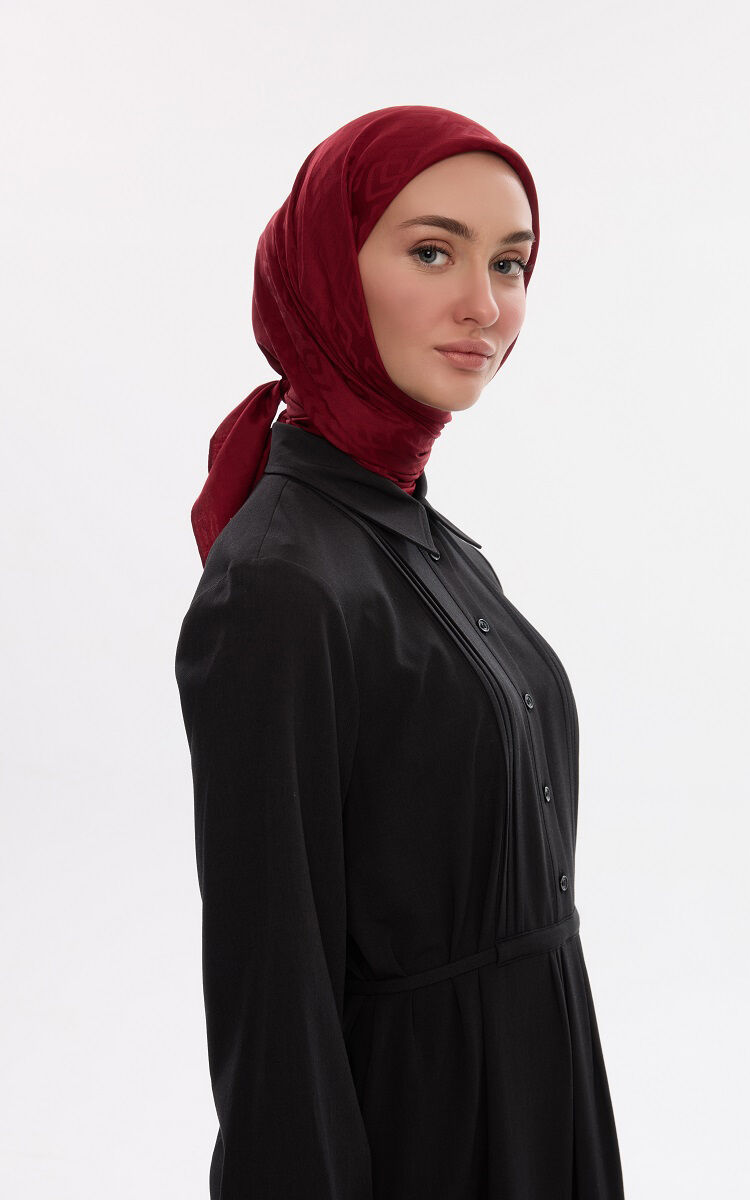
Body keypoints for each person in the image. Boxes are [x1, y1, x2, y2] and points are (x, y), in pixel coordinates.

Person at [175, 104, 625, 1200]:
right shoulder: (280, 583)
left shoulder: (429, 541)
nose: (486, 305)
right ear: (329, 273)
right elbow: (272, 1002)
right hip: (426, 1133)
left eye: (509, 263)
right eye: (432, 252)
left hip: (538, 1095)